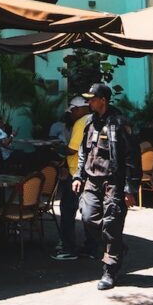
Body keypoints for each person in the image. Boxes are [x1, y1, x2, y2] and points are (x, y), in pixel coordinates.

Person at [73, 83, 141, 290]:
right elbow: (84, 151)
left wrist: (130, 188)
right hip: (92, 180)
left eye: (92, 99)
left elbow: (132, 157)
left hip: (113, 181)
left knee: (112, 223)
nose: (89, 103)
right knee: (87, 216)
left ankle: (110, 270)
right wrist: (78, 176)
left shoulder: (119, 123)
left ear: (103, 100)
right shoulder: (90, 122)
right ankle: (117, 246)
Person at [52, 96, 93, 261]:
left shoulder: (81, 122)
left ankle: (68, 248)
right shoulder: (95, 119)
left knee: (68, 210)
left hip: (77, 173)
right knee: (89, 212)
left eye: (73, 111)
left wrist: (58, 148)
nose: (71, 114)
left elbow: (72, 150)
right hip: (91, 173)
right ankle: (91, 247)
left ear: (78, 109)